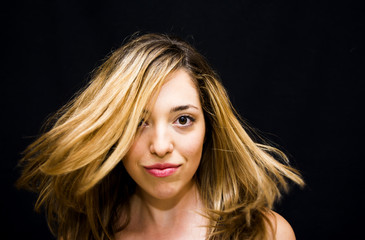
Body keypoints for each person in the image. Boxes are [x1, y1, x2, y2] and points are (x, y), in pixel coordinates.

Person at [17, 33, 304, 240]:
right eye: (138, 123)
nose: (160, 146)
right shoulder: (86, 234)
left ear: (210, 128)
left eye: (183, 120)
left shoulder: (266, 234)